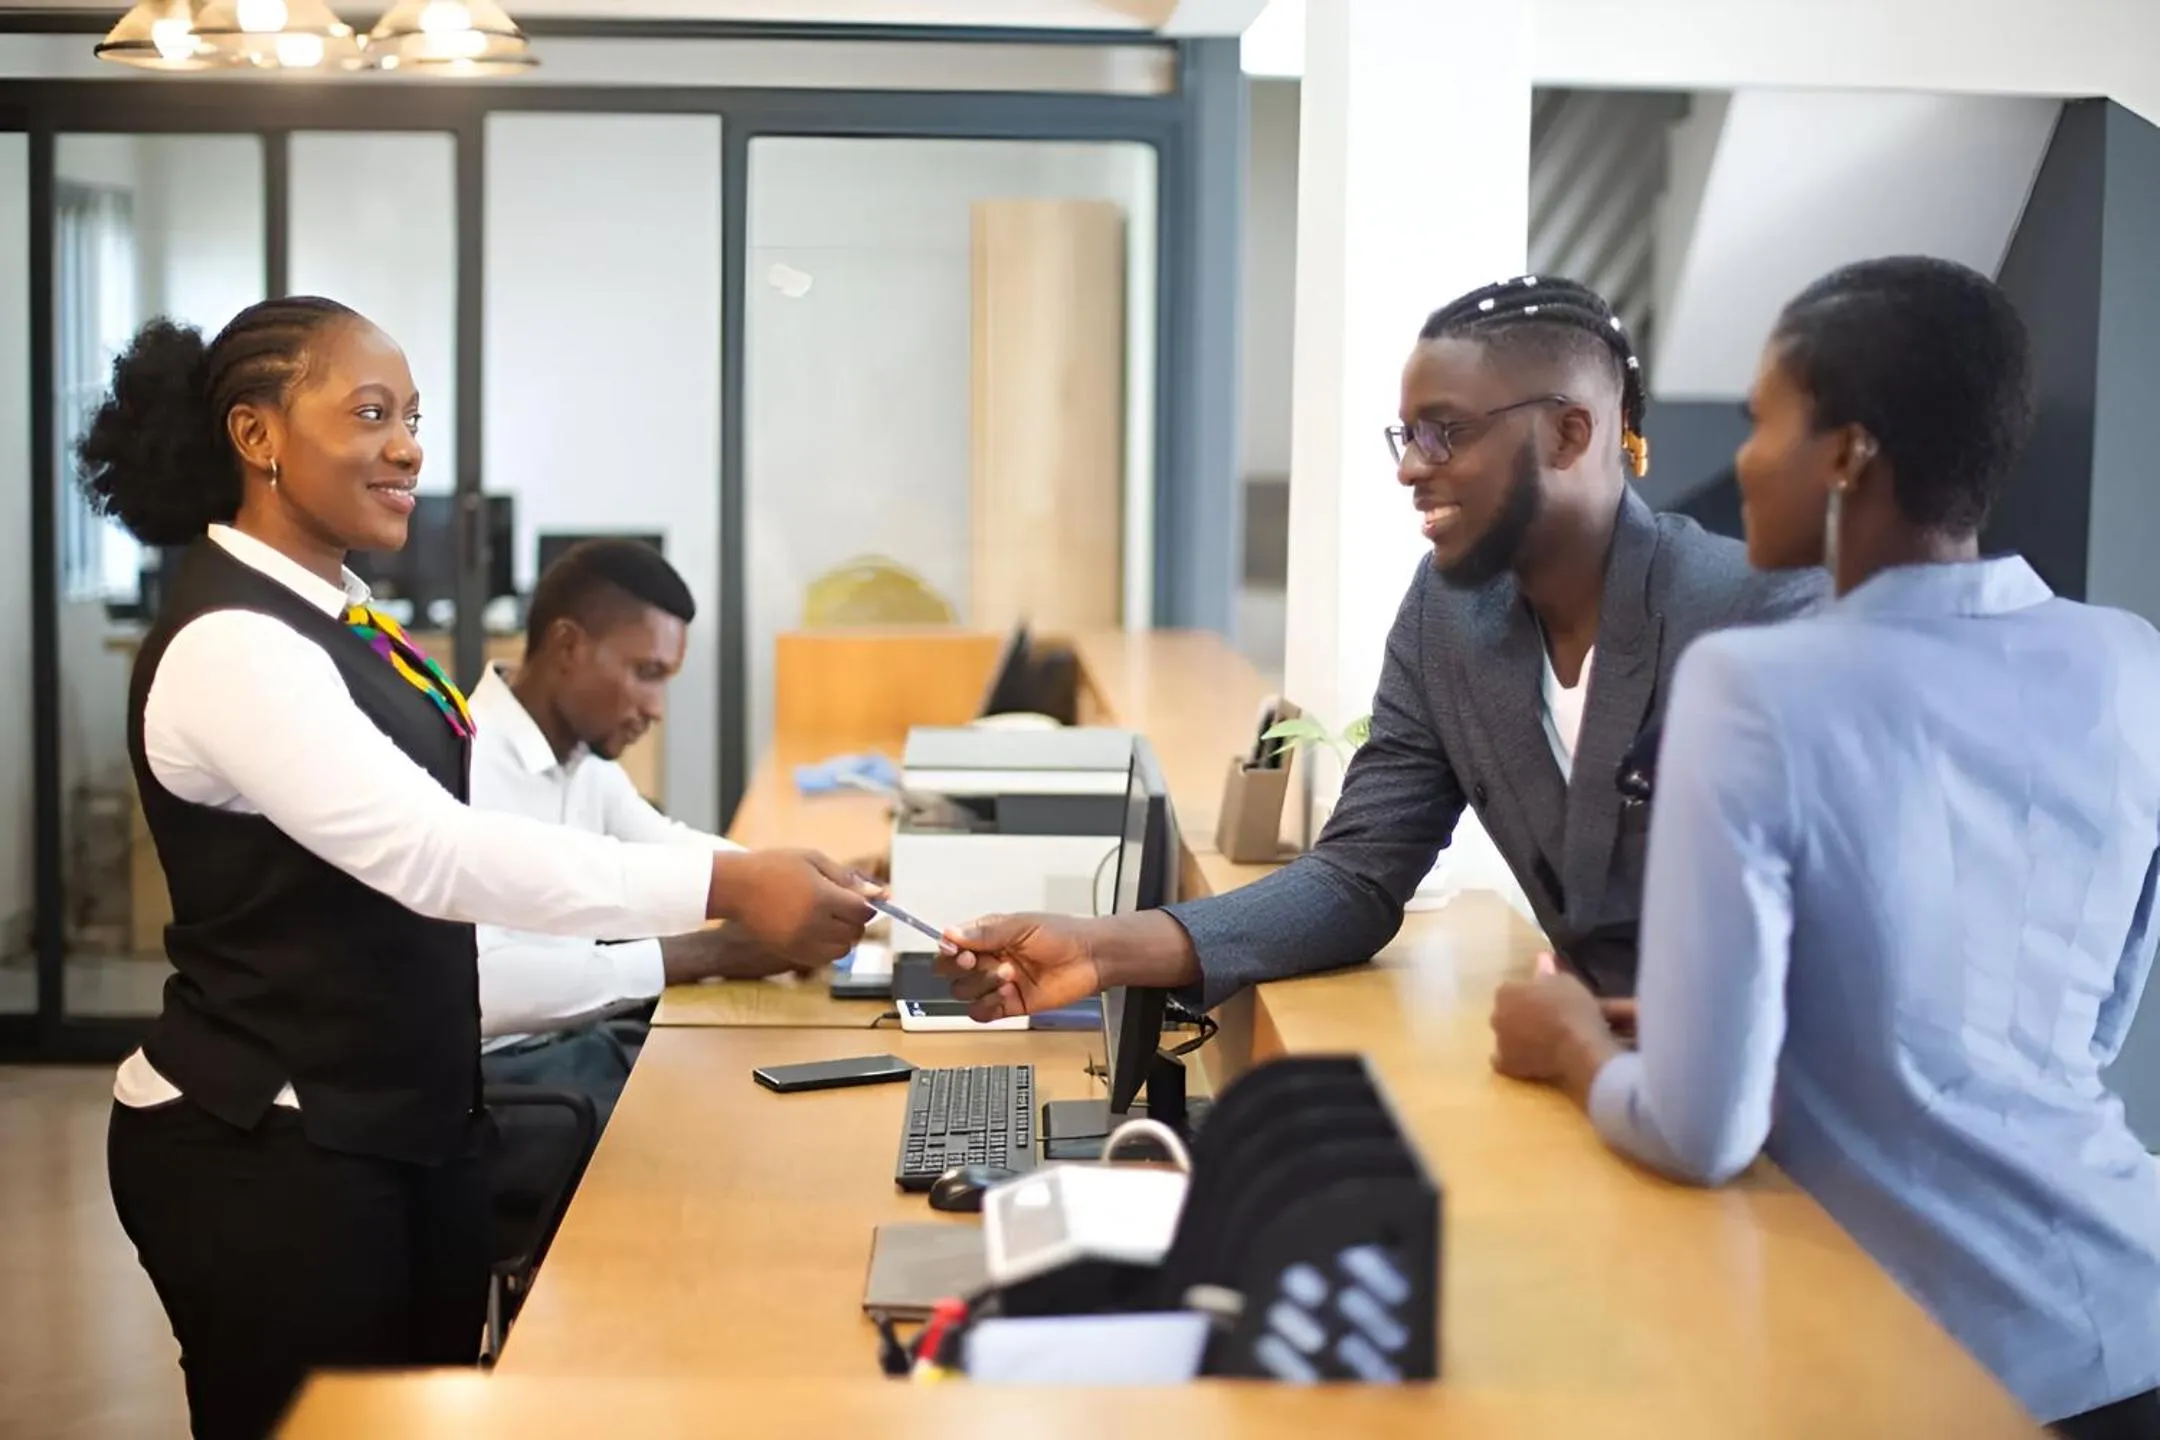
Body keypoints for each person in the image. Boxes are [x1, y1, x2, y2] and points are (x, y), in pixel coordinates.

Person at [81, 296, 873, 1440]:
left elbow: (557, 831)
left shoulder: (348, 617)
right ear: (255, 437)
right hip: (270, 1148)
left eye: (413, 416)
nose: (408, 444)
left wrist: (768, 868)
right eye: (370, 413)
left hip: (404, 1121)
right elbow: (430, 854)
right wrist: (728, 896)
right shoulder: (230, 643)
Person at [1486, 257, 2160, 1436]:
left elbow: (1702, 1133)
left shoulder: (1756, 685)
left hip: (1932, 1364)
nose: (1742, 459)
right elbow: (2078, 1029)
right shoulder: (2130, 662)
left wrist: (1576, 1042)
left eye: (1766, 423)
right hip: (2128, 1314)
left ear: (1847, 453)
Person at [939, 275, 1823, 1021]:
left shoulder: (1753, 612)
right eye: (1409, 436)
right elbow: (1357, 878)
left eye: (1449, 432)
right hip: (1607, 1092)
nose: (1410, 467)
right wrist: (1099, 949)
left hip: (1779, 1136)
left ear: (1570, 431)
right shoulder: (1448, 612)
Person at [471, 538, 818, 1116]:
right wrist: (713, 953)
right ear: (568, 645)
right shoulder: (468, 760)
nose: (657, 708)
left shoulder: (579, 759)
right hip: (501, 1082)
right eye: (646, 673)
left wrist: (806, 883)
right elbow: (482, 988)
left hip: (571, 1047)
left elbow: (670, 847)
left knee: (754, 1078)